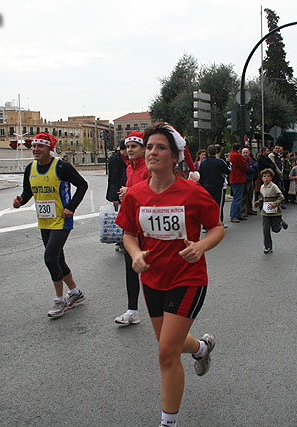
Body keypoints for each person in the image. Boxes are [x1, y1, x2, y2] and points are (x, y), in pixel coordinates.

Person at [115, 123, 225, 427]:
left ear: (175, 156)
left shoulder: (192, 192)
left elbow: (217, 228)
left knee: (166, 353)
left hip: (187, 278)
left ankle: (168, 422)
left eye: (160, 147)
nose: (152, 152)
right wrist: (136, 254)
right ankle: (202, 348)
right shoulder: (135, 195)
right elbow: (128, 233)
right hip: (152, 279)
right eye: (149, 147)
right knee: (170, 344)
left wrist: (201, 245)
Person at [12, 132, 88, 318]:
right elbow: (28, 191)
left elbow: (82, 185)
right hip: (44, 221)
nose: (36, 150)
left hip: (62, 220)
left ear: (49, 149)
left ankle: (59, 300)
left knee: (50, 258)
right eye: (34, 147)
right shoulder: (30, 169)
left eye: (40, 147)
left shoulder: (61, 167)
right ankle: (75, 292)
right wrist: (20, 201)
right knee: (58, 259)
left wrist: (71, 207)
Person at [114, 131, 148, 325]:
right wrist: (123, 195)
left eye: (134, 146)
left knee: (152, 269)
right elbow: (132, 193)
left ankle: (164, 310)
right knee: (130, 268)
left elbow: (152, 189)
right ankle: (132, 310)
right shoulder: (129, 168)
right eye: (128, 147)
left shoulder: (148, 168)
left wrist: (130, 191)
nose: (130, 150)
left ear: (143, 148)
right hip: (131, 225)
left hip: (148, 225)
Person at [254, 168, 287, 254]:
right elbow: (262, 198)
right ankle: (268, 247)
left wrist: (275, 203)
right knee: (265, 229)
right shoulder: (262, 187)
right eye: (264, 176)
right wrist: (257, 203)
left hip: (275, 211)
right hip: (265, 211)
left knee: (275, 229)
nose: (266, 178)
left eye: (268, 176)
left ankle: (280, 222)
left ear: (271, 178)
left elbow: (281, 197)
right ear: (262, 178)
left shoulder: (273, 186)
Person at [198, 144, 230, 222]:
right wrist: (228, 162)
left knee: (207, 205)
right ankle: (218, 222)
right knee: (218, 205)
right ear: (216, 152)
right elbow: (228, 172)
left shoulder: (203, 163)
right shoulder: (220, 162)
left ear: (208, 153)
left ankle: (206, 224)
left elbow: (201, 175)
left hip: (206, 186)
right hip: (218, 186)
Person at [229, 143, 248, 223]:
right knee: (237, 198)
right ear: (239, 149)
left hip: (233, 178)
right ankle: (234, 215)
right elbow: (244, 166)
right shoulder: (238, 156)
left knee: (237, 197)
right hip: (238, 178)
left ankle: (238, 213)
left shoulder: (231, 155)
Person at [241, 147, 258, 217]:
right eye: (243, 153)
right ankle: (243, 211)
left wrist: (252, 166)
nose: (245, 154)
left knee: (250, 196)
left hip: (251, 179)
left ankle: (249, 209)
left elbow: (257, 165)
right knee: (244, 197)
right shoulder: (242, 161)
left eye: (246, 153)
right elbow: (248, 169)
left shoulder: (251, 160)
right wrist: (252, 168)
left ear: (249, 153)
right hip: (245, 180)